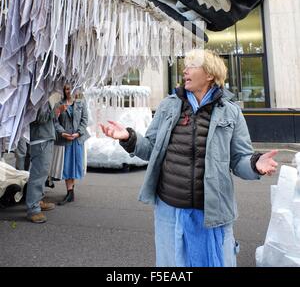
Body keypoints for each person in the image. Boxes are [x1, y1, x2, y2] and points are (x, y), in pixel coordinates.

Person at [100, 49, 278, 267]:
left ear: (210, 74)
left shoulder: (231, 112)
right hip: (169, 210)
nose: (184, 70)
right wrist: (129, 137)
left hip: (212, 211)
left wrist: (254, 164)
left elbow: (239, 159)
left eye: (192, 65)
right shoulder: (169, 105)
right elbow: (151, 149)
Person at [26, 101, 66, 223]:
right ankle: (33, 208)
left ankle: (37, 202)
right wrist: (57, 110)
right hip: (40, 139)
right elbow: (40, 118)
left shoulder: (44, 96)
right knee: (38, 174)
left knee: (42, 173)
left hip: (43, 138)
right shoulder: (39, 97)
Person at [55, 84, 89, 205]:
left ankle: (71, 191)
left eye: (71, 88)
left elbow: (85, 120)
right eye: (67, 89)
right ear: (64, 91)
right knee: (67, 165)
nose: (69, 91)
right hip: (65, 140)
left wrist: (78, 133)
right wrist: (62, 133)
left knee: (75, 165)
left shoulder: (81, 103)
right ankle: (70, 192)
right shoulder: (59, 105)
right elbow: (55, 121)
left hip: (77, 140)